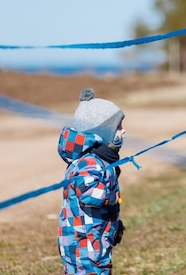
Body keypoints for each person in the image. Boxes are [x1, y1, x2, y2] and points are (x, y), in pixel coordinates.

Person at [57, 88, 126, 275]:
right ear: (102, 132)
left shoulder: (98, 160)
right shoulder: (90, 162)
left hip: (91, 239)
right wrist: (112, 196)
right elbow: (88, 193)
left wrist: (113, 227)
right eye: (118, 127)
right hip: (85, 245)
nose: (124, 131)